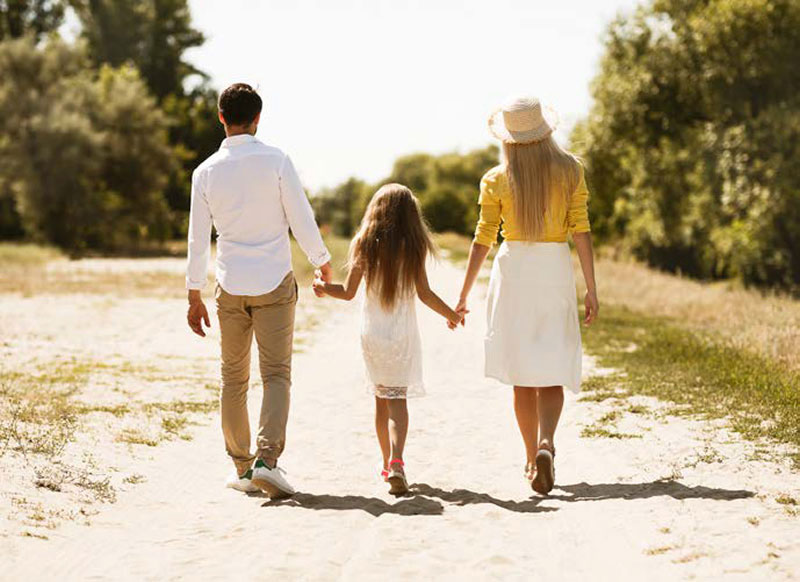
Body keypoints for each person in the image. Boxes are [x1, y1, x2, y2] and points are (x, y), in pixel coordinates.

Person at [185, 83, 333, 498]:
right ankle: (268, 461)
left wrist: (193, 295)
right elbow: (301, 217)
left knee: (232, 378)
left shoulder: (205, 172)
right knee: (276, 375)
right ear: (258, 118)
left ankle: (243, 467)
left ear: (220, 117)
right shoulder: (277, 160)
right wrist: (322, 263)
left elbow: (198, 240)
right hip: (274, 282)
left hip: (229, 285)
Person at [452, 96, 599, 495]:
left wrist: (463, 294)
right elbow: (580, 230)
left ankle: (531, 456)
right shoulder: (571, 170)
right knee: (550, 364)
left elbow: (482, 238)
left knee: (522, 374)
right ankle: (548, 443)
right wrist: (591, 288)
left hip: (514, 269)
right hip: (553, 268)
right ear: (546, 132)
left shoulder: (497, 178)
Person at [313, 184, 463, 495]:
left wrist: (322, 286)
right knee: (397, 401)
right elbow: (424, 293)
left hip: (372, 334)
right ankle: (397, 460)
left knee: (380, 401)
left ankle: (386, 464)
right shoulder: (413, 246)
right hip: (401, 335)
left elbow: (348, 292)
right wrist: (452, 314)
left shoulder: (365, 243)